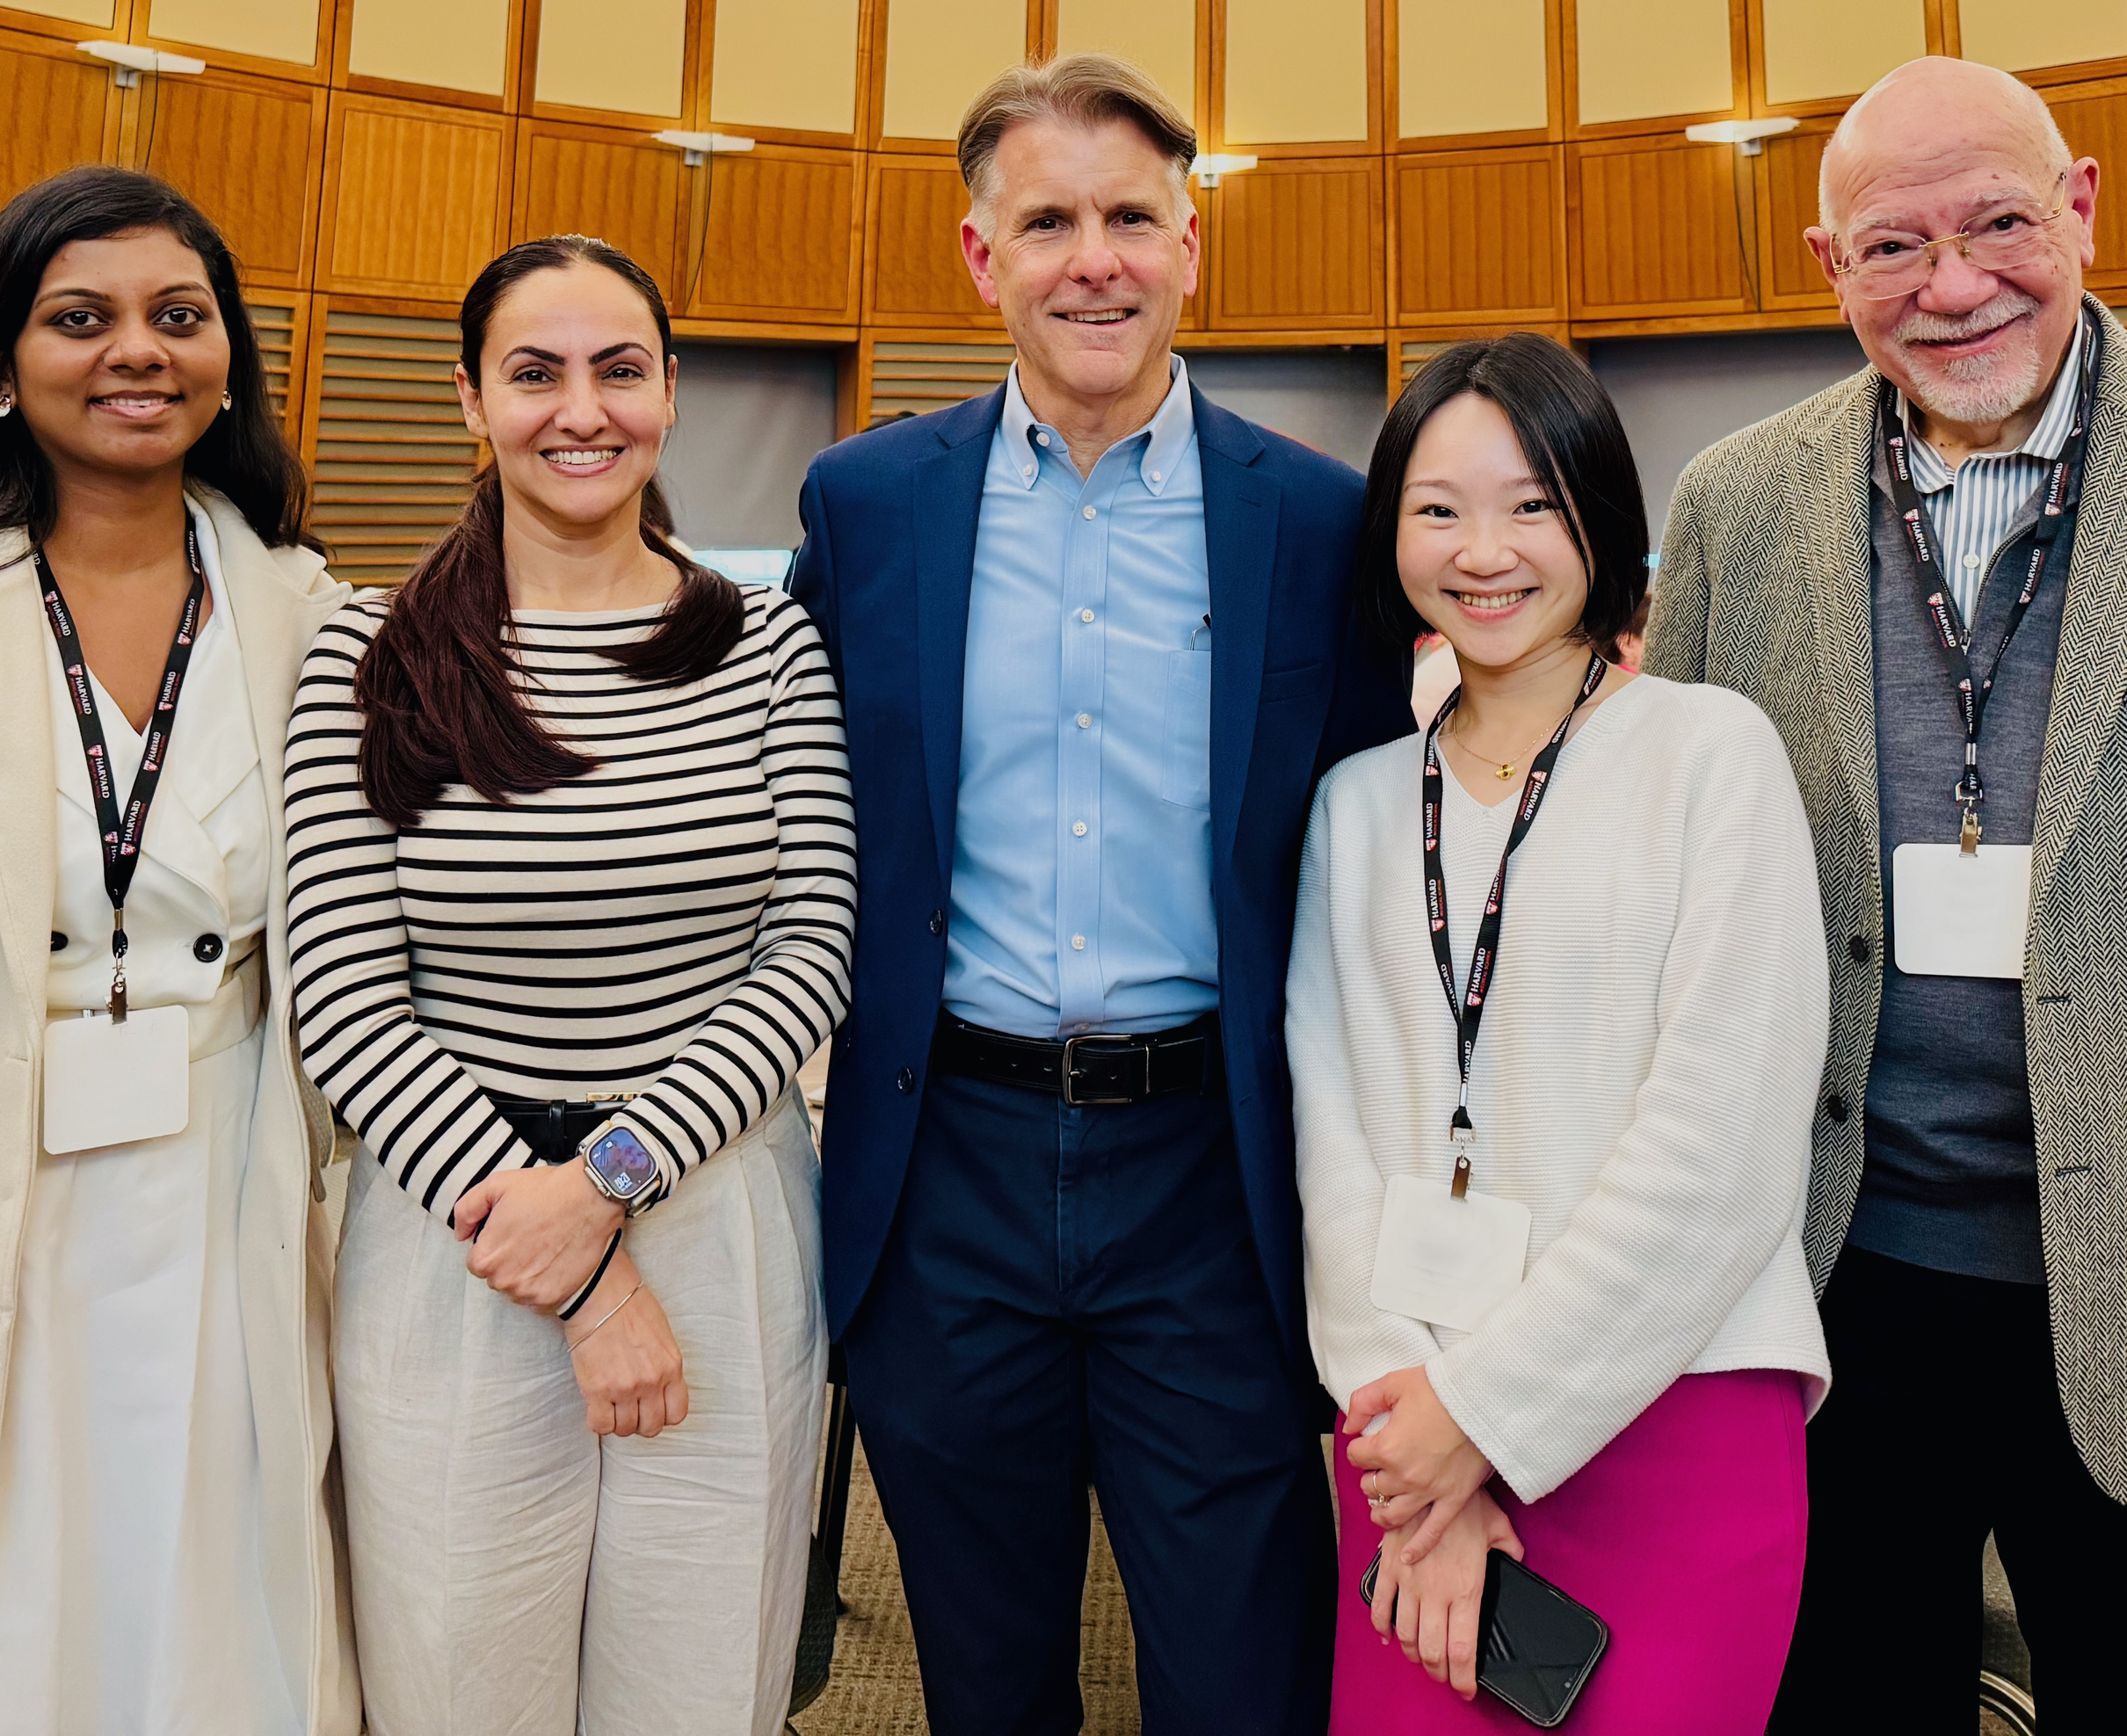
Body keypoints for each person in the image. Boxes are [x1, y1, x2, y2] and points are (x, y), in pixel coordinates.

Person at [788, 54, 1411, 1734]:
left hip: (1213, 1171)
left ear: (1192, 245)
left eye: (1133, 216)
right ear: (981, 256)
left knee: (1242, 1673)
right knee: (983, 1679)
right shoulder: (863, 507)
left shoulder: (1322, 521)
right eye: (1049, 220)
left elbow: (1372, 853)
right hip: (949, 1172)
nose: (1096, 259)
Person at [284, 235, 853, 1734]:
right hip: (451, 1244)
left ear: (669, 390)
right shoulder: (370, 648)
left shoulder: (764, 644)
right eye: (532, 373)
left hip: (721, 1216)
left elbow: (810, 949)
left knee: (702, 1685)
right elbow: (343, 997)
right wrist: (580, 1271)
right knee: (459, 1683)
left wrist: (611, 1180)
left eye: (618, 368)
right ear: (473, 400)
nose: (578, 408)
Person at [1647, 55, 2127, 1731]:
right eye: (1893, 248)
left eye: (1999, 222)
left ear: (2079, 204)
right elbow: (1668, 883)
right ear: (1823, 261)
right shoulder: (1735, 507)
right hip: (1844, 1269)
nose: (1957, 286)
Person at [1290, 333, 1831, 1733]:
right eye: (1438, 507)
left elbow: (1725, 1148)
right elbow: (1327, 1132)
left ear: (1601, 512)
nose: (1487, 550)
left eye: (1534, 503)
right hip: (1403, 1433)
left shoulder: (1714, 753)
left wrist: (1490, 1416)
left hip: (1674, 1406)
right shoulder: (1354, 802)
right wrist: (1413, 1429)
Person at [0, 168, 358, 1734]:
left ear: (229, 355)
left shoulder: (307, 607)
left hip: (221, 1156)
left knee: (209, 1581)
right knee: (5, 1574)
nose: (137, 351)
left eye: (180, 317)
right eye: (79, 318)